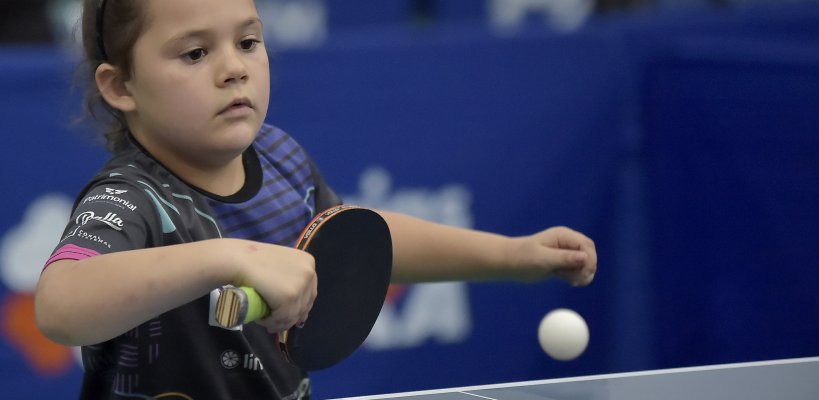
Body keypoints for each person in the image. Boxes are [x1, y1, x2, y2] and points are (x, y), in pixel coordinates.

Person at [34, 0, 597, 398]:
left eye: (248, 42)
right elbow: (61, 306)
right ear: (121, 87)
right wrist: (230, 256)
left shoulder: (279, 155)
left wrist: (514, 255)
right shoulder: (131, 198)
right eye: (195, 53)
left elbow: (357, 241)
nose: (233, 69)